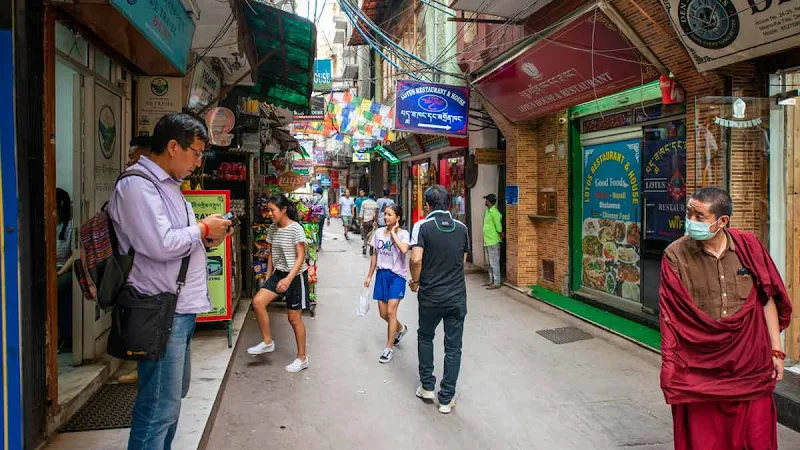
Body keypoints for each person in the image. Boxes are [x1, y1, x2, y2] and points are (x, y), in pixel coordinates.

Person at [108, 113, 232, 449]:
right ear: (174, 147)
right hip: (159, 309)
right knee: (158, 408)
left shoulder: (169, 186)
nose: (197, 162)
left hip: (178, 310)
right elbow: (160, 244)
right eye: (196, 153)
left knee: (172, 401)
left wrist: (206, 238)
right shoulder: (137, 186)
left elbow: (177, 239)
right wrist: (203, 229)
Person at [660, 187, 792, 450]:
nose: (691, 222)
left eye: (699, 217)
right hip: (700, 369)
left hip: (749, 366)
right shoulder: (675, 255)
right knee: (705, 441)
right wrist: (670, 365)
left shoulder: (749, 247)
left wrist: (776, 352)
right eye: (689, 214)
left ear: (722, 222)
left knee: (756, 439)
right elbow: (671, 317)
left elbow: (766, 300)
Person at [409, 185, 470, 414]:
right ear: (450, 205)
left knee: (425, 337)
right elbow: (461, 261)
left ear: (427, 205)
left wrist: (415, 282)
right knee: (453, 347)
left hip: (431, 296)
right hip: (456, 297)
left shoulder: (422, 226)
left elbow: (416, 259)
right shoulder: (462, 228)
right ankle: (446, 399)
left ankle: (427, 387)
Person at [247, 194, 310, 374]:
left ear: (283, 210)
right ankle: (267, 342)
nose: (270, 214)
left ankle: (302, 358)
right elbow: (271, 255)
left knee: (294, 318)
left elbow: (300, 257)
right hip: (278, 273)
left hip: (295, 276)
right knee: (258, 302)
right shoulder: (273, 229)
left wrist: (289, 279)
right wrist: (268, 278)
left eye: (273, 210)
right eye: (269, 210)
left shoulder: (296, 229)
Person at [363, 204, 410, 363]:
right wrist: (369, 276)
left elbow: (404, 250)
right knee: (383, 314)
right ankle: (401, 328)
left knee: (391, 312)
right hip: (381, 275)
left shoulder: (404, 234)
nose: (386, 217)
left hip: (397, 276)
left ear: (397, 218)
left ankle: (388, 348)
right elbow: (374, 256)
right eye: (385, 214)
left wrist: (394, 234)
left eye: (390, 215)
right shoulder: (378, 233)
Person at [56, 188, 75, 351]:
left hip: (65, 269)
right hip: (49, 269)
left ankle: (66, 336)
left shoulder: (69, 226)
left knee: (56, 287)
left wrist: (60, 272)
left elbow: (74, 254)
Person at [483, 194, 504, 290]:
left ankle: (497, 282)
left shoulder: (495, 213)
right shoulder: (488, 211)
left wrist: (502, 235)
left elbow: (499, 228)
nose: (485, 201)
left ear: (489, 202)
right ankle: (491, 280)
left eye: (486, 200)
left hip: (493, 241)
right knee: (488, 263)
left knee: (494, 263)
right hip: (487, 241)